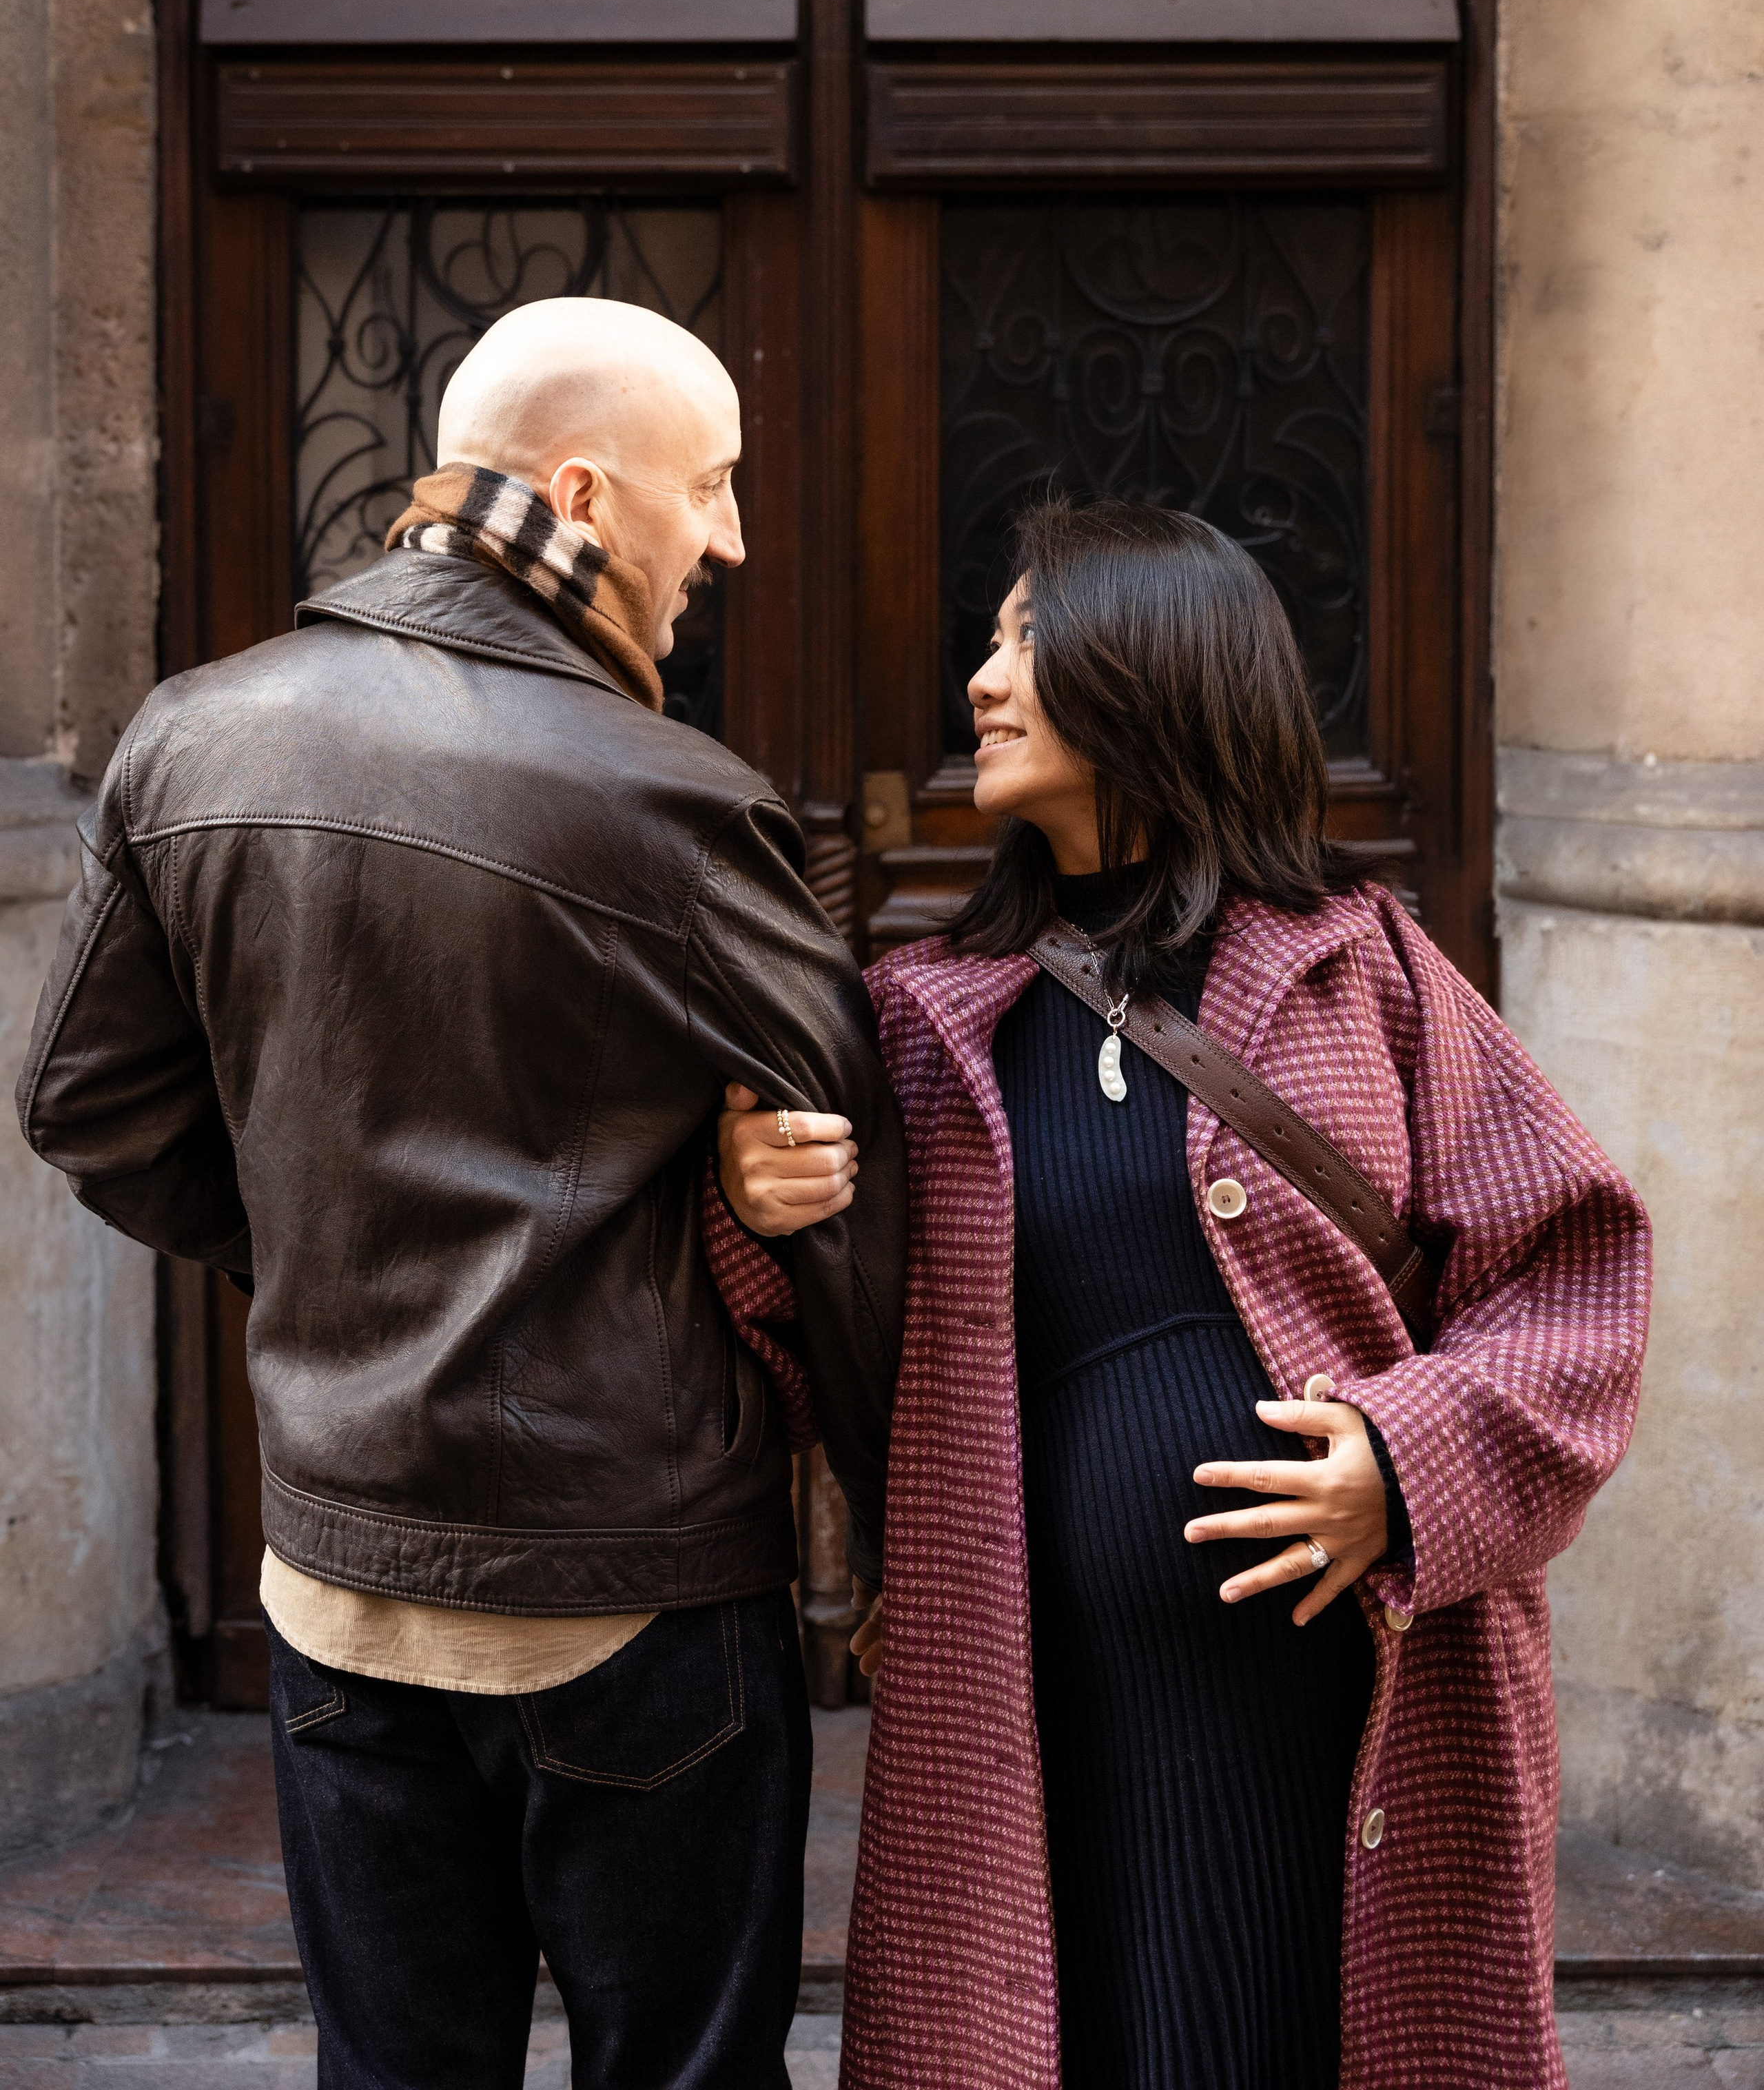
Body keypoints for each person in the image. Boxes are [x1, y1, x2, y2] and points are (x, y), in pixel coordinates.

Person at [16, 297, 907, 2090]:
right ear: (584, 492)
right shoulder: (677, 804)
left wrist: (330, 1251)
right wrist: (893, 1531)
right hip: (641, 1588)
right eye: (710, 487)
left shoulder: (192, 736)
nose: (729, 538)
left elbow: (83, 1105)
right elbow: (852, 1179)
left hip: (339, 1578)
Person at [710, 498, 1651, 2090]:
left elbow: (1571, 1274)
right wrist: (753, 1212)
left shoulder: (1365, 974)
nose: (982, 683)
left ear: (1149, 666)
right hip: (1031, 1703)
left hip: (1337, 1693)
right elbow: (794, 1361)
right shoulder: (922, 1022)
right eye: (990, 644)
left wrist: (1398, 1471)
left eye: (1024, 640)